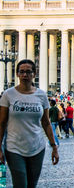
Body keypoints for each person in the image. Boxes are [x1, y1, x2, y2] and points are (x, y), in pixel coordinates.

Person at [0, 59, 59, 187]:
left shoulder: (41, 95)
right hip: (14, 147)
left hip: (37, 147)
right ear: (17, 74)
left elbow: (46, 123)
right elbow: (2, 123)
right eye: (21, 72)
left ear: (34, 74)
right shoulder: (8, 94)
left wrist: (54, 146)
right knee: (20, 184)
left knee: (32, 185)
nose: (25, 75)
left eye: (28, 72)